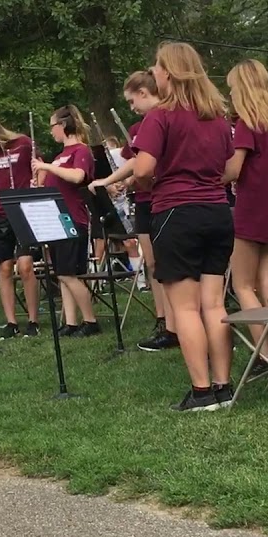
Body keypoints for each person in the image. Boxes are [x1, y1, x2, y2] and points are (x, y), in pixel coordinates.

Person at [131, 41, 235, 412]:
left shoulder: (160, 116)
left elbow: (142, 169)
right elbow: (227, 169)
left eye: (157, 66)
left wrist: (146, 184)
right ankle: (224, 387)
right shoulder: (218, 117)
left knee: (186, 309)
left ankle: (201, 392)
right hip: (218, 212)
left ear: (169, 73)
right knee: (215, 303)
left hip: (176, 212)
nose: (154, 71)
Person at [89, 70, 179, 352]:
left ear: (144, 92)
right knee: (152, 263)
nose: (131, 108)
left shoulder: (164, 118)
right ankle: (163, 319)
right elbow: (135, 162)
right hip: (144, 200)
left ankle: (177, 323)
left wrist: (118, 180)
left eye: (131, 101)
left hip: (166, 199)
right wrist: (119, 182)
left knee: (171, 267)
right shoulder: (141, 126)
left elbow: (146, 164)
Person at [226, 60, 268, 366]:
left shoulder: (246, 123)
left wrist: (211, 173)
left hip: (251, 210)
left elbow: (234, 169)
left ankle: (264, 354)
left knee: (242, 285)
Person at [33, 105, 100, 336]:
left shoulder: (80, 151)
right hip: (56, 220)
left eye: (52, 126)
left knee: (68, 274)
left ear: (62, 125)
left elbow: (77, 176)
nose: (51, 131)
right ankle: (70, 323)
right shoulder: (60, 156)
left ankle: (91, 321)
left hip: (73, 219)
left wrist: (46, 166)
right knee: (61, 273)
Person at [0, 114, 41, 339]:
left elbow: (38, 168)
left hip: (23, 209)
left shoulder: (23, 144)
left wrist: (36, 188)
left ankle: (33, 320)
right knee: (4, 267)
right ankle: (11, 322)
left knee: (25, 266)